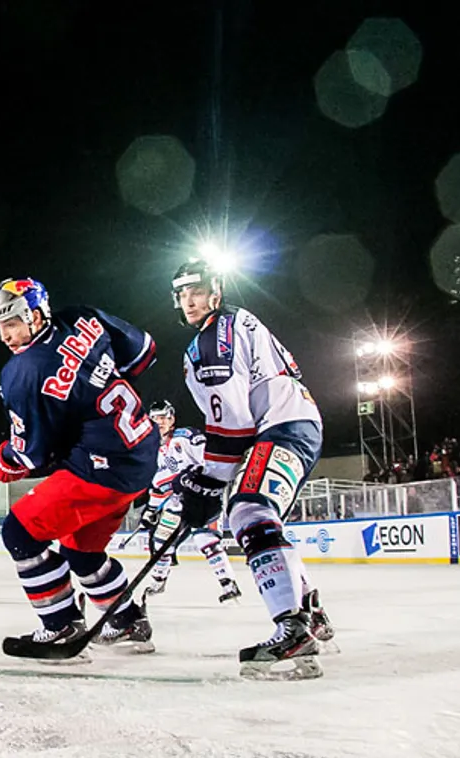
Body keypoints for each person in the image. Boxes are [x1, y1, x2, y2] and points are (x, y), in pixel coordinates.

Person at [169, 259, 334, 680]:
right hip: (290, 424)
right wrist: (206, 482)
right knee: (258, 513)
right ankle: (310, 612)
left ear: (216, 291)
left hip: (280, 427)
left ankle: (293, 631)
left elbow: (234, 424)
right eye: (182, 293)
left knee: (247, 509)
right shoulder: (236, 323)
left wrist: (206, 483)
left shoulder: (212, 340)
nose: (189, 300)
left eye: (196, 290)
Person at [0, 278, 160, 654]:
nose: (6, 337)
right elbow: (143, 353)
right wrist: (91, 389)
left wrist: (4, 460)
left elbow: (28, 456)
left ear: (34, 315)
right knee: (81, 553)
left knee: (20, 533)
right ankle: (127, 622)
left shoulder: (22, 372)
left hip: (101, 468)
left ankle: (60, 623)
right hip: (140, 450)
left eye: (12, 324)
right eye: (0, 327)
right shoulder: (82, 317)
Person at [137, 400, 241, 604]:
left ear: (171, 419)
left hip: (201, 498)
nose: (159, 423)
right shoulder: (152, 451)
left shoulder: (186, 438)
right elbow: (159, 486)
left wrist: (190, 476)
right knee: (161, 543)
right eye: (155, 419)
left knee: (207, 540)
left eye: (163, 418)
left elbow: (210, 461)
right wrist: (151, 510)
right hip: (175, 504)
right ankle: (159, 581)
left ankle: (228, 583)